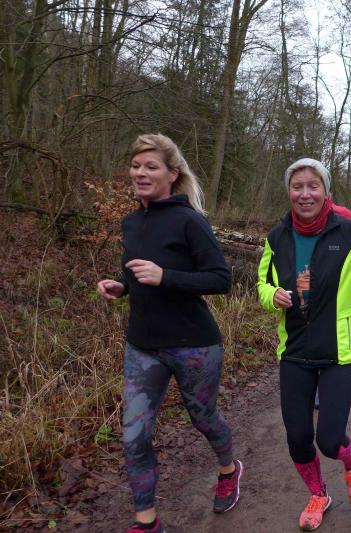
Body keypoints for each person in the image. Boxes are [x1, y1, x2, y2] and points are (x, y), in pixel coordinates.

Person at [96, 134, 240, 533]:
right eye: (136, 166)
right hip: (143, 346)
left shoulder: (189, 220)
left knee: (204, 418)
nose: (140, 173)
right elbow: (135, 273)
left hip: (194, 344)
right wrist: (122, 287)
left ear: (172, 174)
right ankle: (147, 523)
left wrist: (166, 277)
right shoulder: (131, 222)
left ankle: (229, 470)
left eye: (151, 166)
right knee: (133, 436)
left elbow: (221, 279)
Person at [256, 158, 351, 531]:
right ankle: (319, 494)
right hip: (294, 351)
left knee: (329, 439)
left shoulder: (350, 231)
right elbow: (262, 284)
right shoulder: (277, 237)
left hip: (340, 351)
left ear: (326, 192)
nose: (305, 193)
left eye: (313, 186)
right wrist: (272, 295)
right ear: (289, 192)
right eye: (297, 186)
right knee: (298, 439)